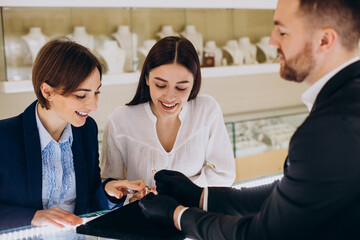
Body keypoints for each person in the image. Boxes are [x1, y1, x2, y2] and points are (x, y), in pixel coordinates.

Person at [138, 0, 360, 239]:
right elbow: (292, 192)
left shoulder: (330, 128)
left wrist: (178, 215)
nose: (271, 41)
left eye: (283, 32)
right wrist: (200, 196)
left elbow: (262, 234)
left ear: (324, 40)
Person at [0, 38, 145, 231]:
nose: (93, 105)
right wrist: (33, 216)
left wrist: (109, 192)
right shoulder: (5, 137)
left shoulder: (86, 130)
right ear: (47, 91)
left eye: (96, 92)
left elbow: (89, 206)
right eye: (81, 95)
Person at [100, 36, 235, 202]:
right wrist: (129, 197)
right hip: (142, 222)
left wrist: (178, 192)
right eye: (161, 85)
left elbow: (224, 175)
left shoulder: (207, 110)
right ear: (147, 78)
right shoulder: (119, 121)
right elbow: (109, 187)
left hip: (192, 220)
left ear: (194, 83)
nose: (170, 97)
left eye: (181, 87)